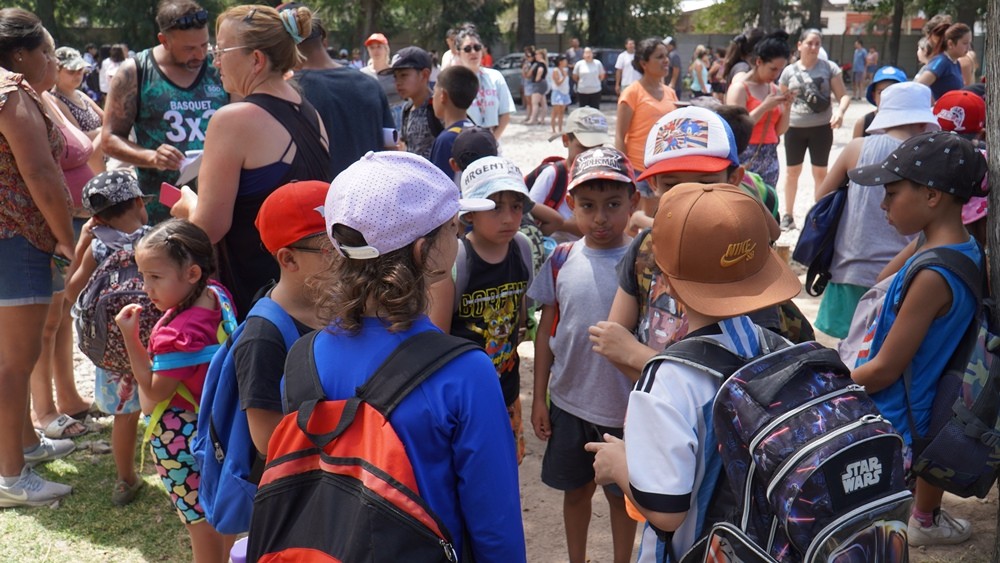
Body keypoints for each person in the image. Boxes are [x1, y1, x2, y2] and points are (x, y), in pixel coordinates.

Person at [280, 150, 526, 560]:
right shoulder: (465, 372)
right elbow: (495, 525)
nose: (459, 237)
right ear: (422, 251)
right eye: (453, 227)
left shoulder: (302, 357)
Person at [587, 181, 801, 561]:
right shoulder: (781, 350)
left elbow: (667, 513)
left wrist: (619, 466)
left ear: (666, 278)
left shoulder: (669, 378)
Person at [848, 131, 986, 547]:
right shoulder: (956, 247)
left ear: (931, 197)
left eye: (891, 193)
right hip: (909, 412)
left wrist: (833, 390)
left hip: (896, 422)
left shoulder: (931, 277)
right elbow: (882, 281)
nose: (883, 205)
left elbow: (886, 368)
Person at [591, 106, 780, 380]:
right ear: (654, 184)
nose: (689, 198)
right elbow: (611, 341)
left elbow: (749, 379)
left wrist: (638, 355)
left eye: (705, 183)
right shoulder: (645, 245)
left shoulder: (746, 257)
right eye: (672, 185)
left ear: (735, 179)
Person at [172, 3, 332, 319]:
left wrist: (187, 205)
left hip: (257, 302)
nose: (214, 61)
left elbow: (209, 229)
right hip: (312, 296)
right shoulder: (311, 113)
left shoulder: (233, 120)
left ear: (256, 59)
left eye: (221, 50)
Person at [528, 146, 640, 563]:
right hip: (570, 403)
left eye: (613, 204)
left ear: (634, 202)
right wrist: (539, 398)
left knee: (621, 497)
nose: (600, 218)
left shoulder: (643, 263)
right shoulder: (560, 259)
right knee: (575, 492)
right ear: (571, 205)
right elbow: (545, 333)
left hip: (624, 409)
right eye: (588, 206)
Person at [115, 218, 233, 561]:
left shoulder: (175, 337)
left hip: (179, 440)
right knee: (222, 515)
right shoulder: (217, 296)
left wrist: (130, 337)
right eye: (143, 275)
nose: (146, 287)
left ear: (192, 273)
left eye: (155, 277)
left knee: (200, 525)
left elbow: (152, 389)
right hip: (218, 427)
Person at [0, 7, 77, 507]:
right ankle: (10, 477)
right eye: (46, 51)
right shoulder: (11, 94)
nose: (51, 60)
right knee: (14, 362)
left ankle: (24, 444)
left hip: (10, 238)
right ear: (23, 54)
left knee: (15, 359)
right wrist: (66, 237)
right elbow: (41, 175)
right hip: (18, 237)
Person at [812, 82, 939, 340]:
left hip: (850, 266)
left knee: (847, 351)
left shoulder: (857, 147)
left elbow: (820, 196)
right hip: (903, 272)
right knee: (885, 349)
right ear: (924, 122)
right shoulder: (927, 158)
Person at [429, 156, 535, 463]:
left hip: (506, 390)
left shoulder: (523, 248)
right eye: (495, 206)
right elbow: (437, 340)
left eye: (516, 206)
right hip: (463, 399)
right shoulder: (457, 260)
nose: (508, 218)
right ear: (470, 213)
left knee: (504, 469)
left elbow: (520, 316)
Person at [65, 171, 154, 505]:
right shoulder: (156, 239)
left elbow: (72, 290)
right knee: (166, 406)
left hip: (113, 348)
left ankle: (125, 479)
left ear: (96, 218)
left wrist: (83, 243)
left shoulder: (99, 246)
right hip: (155, 344)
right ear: (138, 203)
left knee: (124, 415)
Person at [102, 0, 227, 224]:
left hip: (216, 205)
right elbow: (110, 139)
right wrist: (152, 157)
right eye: (189, 48)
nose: (200, 54)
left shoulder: (217, 67)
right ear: (164, 41)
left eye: (204, 45)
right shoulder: (136, 71)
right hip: (163, 212)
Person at [236, 180, 331, 456]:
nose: (347, 257)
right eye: (331, 250)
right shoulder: (262, 337)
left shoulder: (339, 304)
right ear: (288, 259)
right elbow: (267, 441)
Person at [293, 10, 395, 177]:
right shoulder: (370, 84)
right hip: (372, 192)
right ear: (324, 41)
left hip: (322, 197)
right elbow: (391, 145)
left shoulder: (294, 90)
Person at [777, 28, 850, 231]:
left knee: (820, 173)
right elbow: (782, 100)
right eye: (810, 43)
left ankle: (818, 214)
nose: (814, 47)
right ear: (799, 45)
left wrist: (840, 112)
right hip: (795, 128)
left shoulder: (829, 68)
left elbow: (843, 95)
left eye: (818, 43)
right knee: (792, 172)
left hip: (821, 128)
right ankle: (788, 215)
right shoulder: (789, 71)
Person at [615, 37, 678, 218]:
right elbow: (620, 135)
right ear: (643, 63)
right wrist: (625, 173)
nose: (666, 60)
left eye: (666, 55)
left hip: (665, 170)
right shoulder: (632, 93)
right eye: (659, 57)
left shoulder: (670, 92)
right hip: (639, 170)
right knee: (639, 227)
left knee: (662, 221)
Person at [725, 30, 792, 188]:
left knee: (767, 207)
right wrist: (764, 107)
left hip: (770, 155)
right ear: (759, 62)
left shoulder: (774, 89)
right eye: (773, 69)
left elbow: (779, 131)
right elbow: (737, 128)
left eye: (780, 70)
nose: (776, 75)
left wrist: (788, 108)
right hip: (745, 154)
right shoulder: (740, 89)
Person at [530, 107, 610, 239]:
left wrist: (562, 224)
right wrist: (562, 223)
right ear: (566, 140)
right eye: (583, 147)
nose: (590, 154)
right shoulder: (553, 175)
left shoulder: (606, 176)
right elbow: (528, 212)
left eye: (597, 147)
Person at [51, 46, 105, 174]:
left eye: (80, 70)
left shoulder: (81, 94)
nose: (77, 75)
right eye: (71, 71)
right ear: (57, 71)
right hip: (87, 168)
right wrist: (105, 130)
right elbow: (79, 138)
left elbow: (106, 118)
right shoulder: (56, 101)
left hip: (101, 160)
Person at [457, 27, 515, 140]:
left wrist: (493, 140)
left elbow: (505, 114)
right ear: (459, 53)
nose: (473, 52)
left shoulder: (495, 77)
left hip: (491, 139)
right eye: (467, 49)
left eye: (477, 47)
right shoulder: (454, 80)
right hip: (463, 140)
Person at [382, 46, 435, 159]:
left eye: (404, 75)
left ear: (424, 74)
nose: (398, 83)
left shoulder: (438, 108)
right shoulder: (406, 108)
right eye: (395, 77)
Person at [430, 64, 478, 177]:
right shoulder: (477, 132)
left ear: (443, 96)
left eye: (434, 92)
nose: (432, 97)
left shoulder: (446, 140)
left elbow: (439, 185)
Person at [916, 23, 972, 101]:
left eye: (969, 43)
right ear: (950, 44)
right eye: (965, 43)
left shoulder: (956, 63)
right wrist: (933, 103)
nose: (969, 47)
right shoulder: (941, 61)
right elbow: (919, 85)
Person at [852, 65, 906, 139]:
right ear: (874, 96)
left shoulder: (912, 125)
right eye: (881, 92)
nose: (887, 97)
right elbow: (855, 148)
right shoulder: (863, 123)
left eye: (893, 92)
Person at [525, 49, 549, 125]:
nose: (535, 56)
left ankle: (532, 120)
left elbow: (540, 70)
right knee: (543, 102)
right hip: (543, 83)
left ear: (540, 55)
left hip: (538, 83)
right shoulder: (544, 63)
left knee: (534, 103)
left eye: (536, 55)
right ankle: (542, 120)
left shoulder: (540, 63)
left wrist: (537, 78)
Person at [549, 55, 571, 134]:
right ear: (560, 62)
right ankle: (553, 129)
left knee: (562, 112)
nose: (566, 62)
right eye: (565, 61)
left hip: (565, 92)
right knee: (555, 112)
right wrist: (564, 76)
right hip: (557, 92)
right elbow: (558, 83)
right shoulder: (555, 70)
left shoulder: (565, 70)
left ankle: (560, 128)